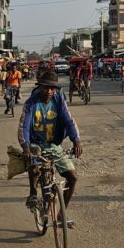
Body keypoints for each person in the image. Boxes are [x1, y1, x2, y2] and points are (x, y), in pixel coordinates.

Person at [18, 68, 83, 209]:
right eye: (46, 88)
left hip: (54, 145)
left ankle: (62, 214)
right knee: (34, 157)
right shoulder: (30, 104)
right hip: (35, 144)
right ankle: (33, 193)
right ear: (40, 86)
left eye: (52, 88)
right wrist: (26, 147)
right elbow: (23, 126)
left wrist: (76, 141)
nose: (49, 92)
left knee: (73, 177)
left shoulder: (59, 101)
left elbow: (69, 121)